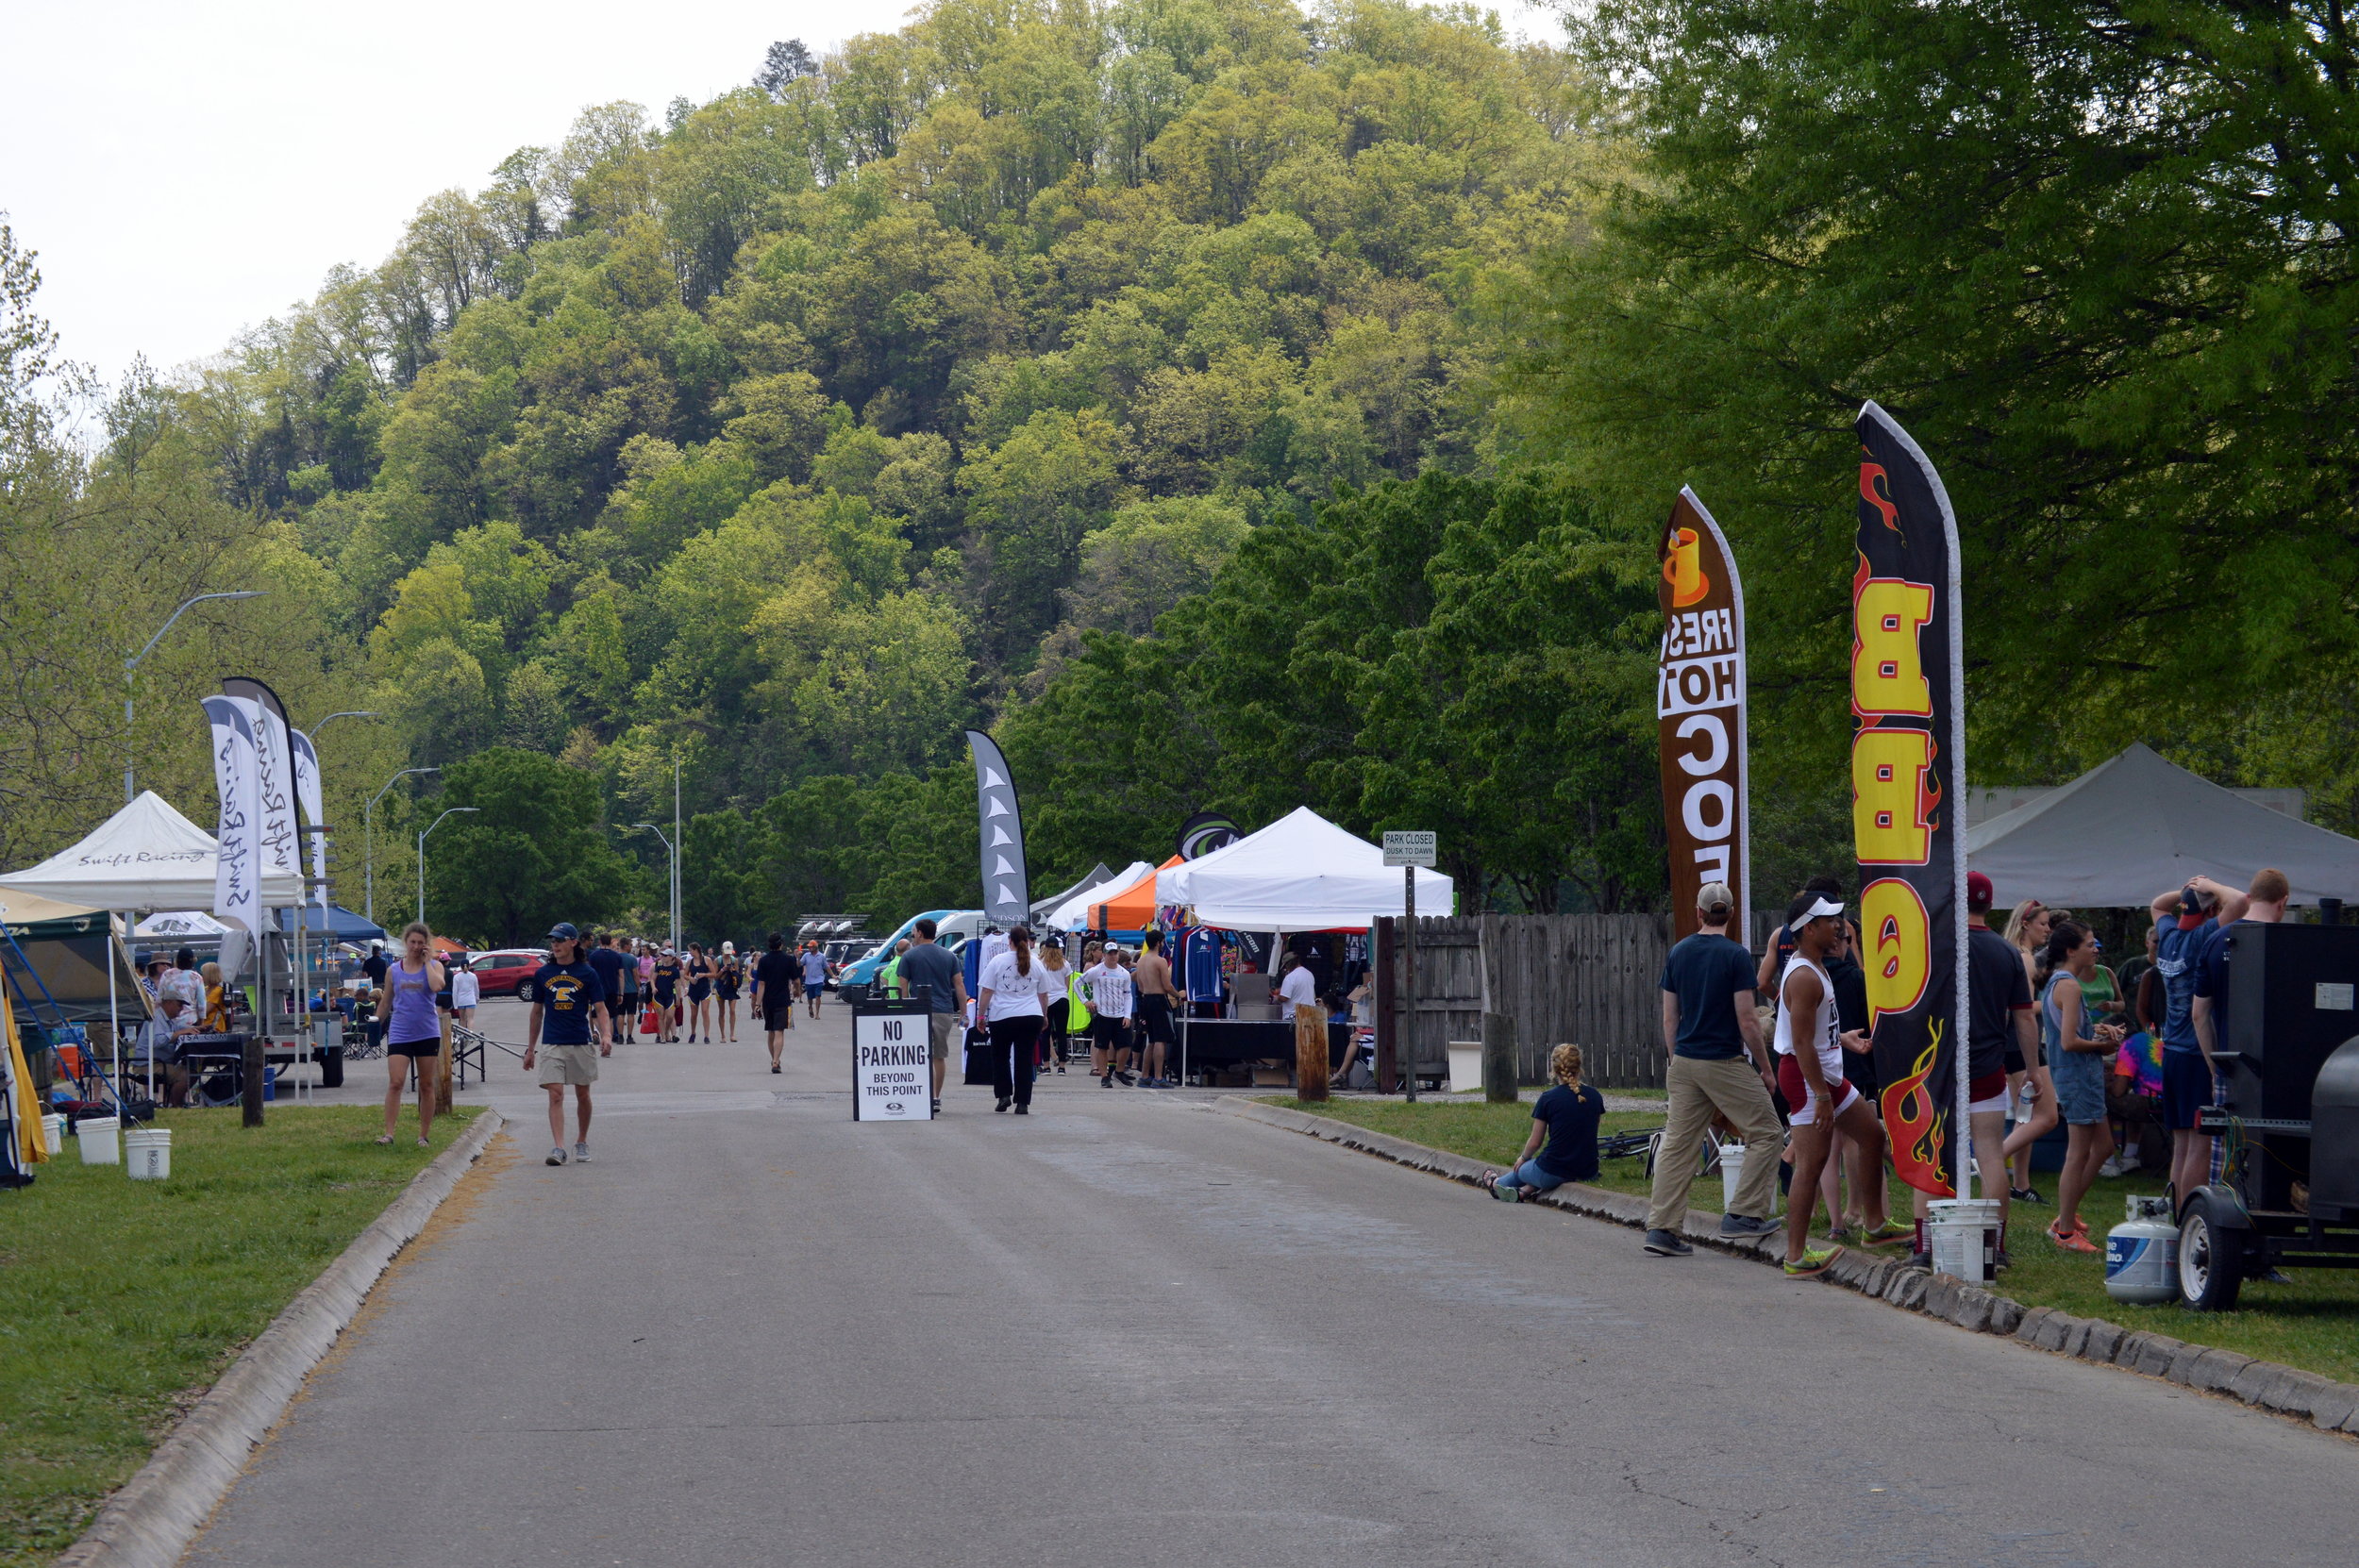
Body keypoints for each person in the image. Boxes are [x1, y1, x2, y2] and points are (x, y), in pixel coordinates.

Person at [1644, 881, 1785, 1258]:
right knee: (1768, 1131)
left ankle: (1661, 1229)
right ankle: (1743, 1213)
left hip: (1686, 1060)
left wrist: (1676, 1060)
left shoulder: (1678, 953)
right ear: (1732, 914)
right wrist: (1766, 1069)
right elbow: (1747, 1019)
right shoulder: (1736, 955)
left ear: (1699, 913)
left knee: (1678, 1146)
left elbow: (1669, 1019)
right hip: (1722, 1060)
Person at [1773, 893, 1891, 1276]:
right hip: (1809, 1079)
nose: (1839, 927)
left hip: (1825, 1074)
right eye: (1829, 922)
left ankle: (1874, 1226)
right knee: (1811, 1164)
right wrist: (1821, 1096)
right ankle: (1795, 1257)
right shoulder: (1805, 976)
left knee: (1872, 1137)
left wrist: (1843, 1039)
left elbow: (1811, 1032)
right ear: (1809, 928)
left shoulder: (1816, 965)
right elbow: (1800, 1043)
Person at [2150, 873, 2250, 1207]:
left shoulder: (2168, 936)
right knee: (2200, 1146)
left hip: (2172, 1053)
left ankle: (2178, 1217)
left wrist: (2187, 891)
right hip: (2196, 1053)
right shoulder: (2202, 937)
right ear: (2210, 914)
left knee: (2181, 1145)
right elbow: (2240, 901)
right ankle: (2191, 1215)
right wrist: (2210, 886)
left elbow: (2157, 905)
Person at [2192, 867, 2287, 1186]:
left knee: (2226, 1150)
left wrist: (2214, 1063)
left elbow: (2199, 1014)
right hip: (2283, 1069)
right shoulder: (2290, 943)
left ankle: (2224, 1221)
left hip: (2231, 1065)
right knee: (2278, 1149)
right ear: (2282, 902)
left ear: (2250, 897)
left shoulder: (2215, 940)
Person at [2039, 919, 2125, 1250]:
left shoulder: (2060, 982)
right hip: (2078, 1076)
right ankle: (2064, 1232)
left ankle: (2067, 1215)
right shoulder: (2070, 985)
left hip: (2079, 1076)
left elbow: (2072, 1031)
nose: (2096, 949)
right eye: (2090, 944)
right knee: (2078, 1153)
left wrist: (2103, 1033)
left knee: (2103, 1147)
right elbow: (2069, 1041)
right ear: (2071, 950)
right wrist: (2104, 1048)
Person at [521, 923, 610, 1166]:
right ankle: (559, 1148)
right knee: (556, 1094)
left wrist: (606, 1035)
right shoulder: (543, 974)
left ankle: (581, 1140)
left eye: (560, 940)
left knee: (583, 1093)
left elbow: (600, 1009)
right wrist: (530, 1049)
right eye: (553, 941)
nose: (555, 945)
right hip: (552, 1042)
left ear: (573, 942)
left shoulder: (587, 973)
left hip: (580, 1041)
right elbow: (536, 1013)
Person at [1484, 1043, 1605, 1202]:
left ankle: (1496, 1184)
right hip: (1587, 1170)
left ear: (1554, 1068)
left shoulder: (1548, 1098)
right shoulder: (1595, 1096)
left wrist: (1523, 1158)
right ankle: (1524, 1191)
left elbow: (1535, 1142)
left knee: (1522, 1170)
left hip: (1553, 1169)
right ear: (1579, 1065)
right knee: (1541, 1176)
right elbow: (1590, 1133)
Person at [1999, 897, 2060, 1203]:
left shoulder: (2018, 954)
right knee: (2047, 1117)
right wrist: (2056, 1003)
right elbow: (2020, 1007)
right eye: (2043, 923)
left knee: (2025, 1117)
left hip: (2013, 1046)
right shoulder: (2024, 958)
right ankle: (1993, 1162)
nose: (2048, 929)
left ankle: (2020, 1185)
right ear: (2025, 924)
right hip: (2022, 1045)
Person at [376, 921, 449, 1147]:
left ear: (427, 945)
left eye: (421, 943)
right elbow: (386, 1002)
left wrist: (427, 961)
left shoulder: (435, 966)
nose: (416, 946)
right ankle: (389, 1133)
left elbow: (437, 987)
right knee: (396, 1082)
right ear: (406, 943)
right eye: (412, 942)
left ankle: (423, 1135)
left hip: (426, 1031)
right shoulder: (393, 970)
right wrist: (374, 1024)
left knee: (427, 1084)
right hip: (400, 1031)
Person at [978, 926, 1058, 1114]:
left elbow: (987, 990)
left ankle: (1003, 1095)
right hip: (1030, 1015)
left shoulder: (998, 961)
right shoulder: (1036, 963)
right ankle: (1023, 1102)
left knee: (1000, 1057)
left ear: (1009, 941)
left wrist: (981, 1015)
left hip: (1002, 1015)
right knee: (1024, 1058)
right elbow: (1044, 994)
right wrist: (1044, 1015)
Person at [897, 920, 968, 1113]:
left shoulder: (909, 956)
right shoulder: (949, 956)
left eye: (913, 933)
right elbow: (959, 985)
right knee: (939, 1056)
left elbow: (903, 985)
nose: (913, 937)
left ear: (920, 933)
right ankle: (936, 1097)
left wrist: (905, 1007)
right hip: (943, 1010)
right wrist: (964, 1012)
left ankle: (919, 1093)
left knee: (918, 1055)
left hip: (917, 1009)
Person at [1132, 929, 1181, 1087]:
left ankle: (1145, 1075)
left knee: (1151, 1040)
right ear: (1159, 942)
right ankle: (1158, 1077)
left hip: (1146, 1000)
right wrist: (1179, 994)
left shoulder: (1140, 961)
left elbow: (1139, 986)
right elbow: (1167, 986)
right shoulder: (1160, 961)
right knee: (1160, 1039)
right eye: (1162, 942)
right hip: (1158, 1000)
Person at [1083, 942, 1134, 1088]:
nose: (1113, 956)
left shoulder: (1124, 973)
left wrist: (1127, 1015)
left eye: (1115, 953)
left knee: (1125, 1045)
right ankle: (1104, 1076)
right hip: (1102, 1014)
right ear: (1104, 955)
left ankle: (1119, 1071)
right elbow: (1077, 984)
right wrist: (1086, 1001)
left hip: (1119, 1014)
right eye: (1110, 953)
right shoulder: (1097, 970)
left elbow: (1128, 995)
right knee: (1102, 1046)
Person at [752, 933, 799, 1073]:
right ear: (781, 944)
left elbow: (761, 984)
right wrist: (797, 991)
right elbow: (796, 980)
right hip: (783, 1000)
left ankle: (775, 1060)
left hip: (767, 1000)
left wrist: (757, 1004)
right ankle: (775, 1061)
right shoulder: (789, 960)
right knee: (780, 1031)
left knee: (771, 1030)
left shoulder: (764, 961)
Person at [587, 932, 631, 1050]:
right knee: (610, 1017)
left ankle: (602, 1035)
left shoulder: (593, 956)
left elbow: (588, 974)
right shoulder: (616, 956)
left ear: (600, 942)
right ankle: (608, 1040)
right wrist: (621, 992)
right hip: (612, 990)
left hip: (596, 990)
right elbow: (621, 975)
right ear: (611, 942)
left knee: (595, 1016)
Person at [1039, 936, 1074, 1074]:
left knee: (1045, 1034)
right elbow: (1067, 985)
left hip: (1046, 1000)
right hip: (1061, 999)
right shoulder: (1065, 964)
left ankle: (1046, 1065)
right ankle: (1062, 1066)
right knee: (1061, 1033)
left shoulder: (1040, 963)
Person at [684, 942, 713, 1043]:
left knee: (705, 1011)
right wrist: (690, 978)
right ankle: (693, 1033)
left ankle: (706, 1036)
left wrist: (704, 974)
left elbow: (714, 974)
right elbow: (684, 974)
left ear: (696, 950)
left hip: (705, 988)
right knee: (693, 1014)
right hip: (693, 990)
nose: (689, 952)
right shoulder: (690, 962)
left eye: (690, 950)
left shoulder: (707, 960)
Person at [651, 946, 681, 1043]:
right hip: (658, 996)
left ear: (671, 957)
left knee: (670, 1016)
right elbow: (652, 979)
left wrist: (678, 998)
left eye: (665, 955)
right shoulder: (659, 968)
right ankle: (663, 1037)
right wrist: (653, 988)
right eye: (662, 955)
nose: (662, 957)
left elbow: (677, 985)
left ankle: (667, 1031)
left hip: (669, 996)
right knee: (660, 1016)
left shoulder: (675, 970)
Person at [715, 942, 742, 1043]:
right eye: (726, 952)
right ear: (722, 950)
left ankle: (732, 1034)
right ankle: (723, 1035)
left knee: (732, 1011)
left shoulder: (734, 960)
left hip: (731, 987)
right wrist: (722, 970)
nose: (728, 954)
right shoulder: (718, 960)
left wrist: (732, 970)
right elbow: (715, 976)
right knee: (722, 1012)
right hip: (721, 986)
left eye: (729, 952)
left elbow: (737, 976)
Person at [448, 953, 479, 1030]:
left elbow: (455, 991)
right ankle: (470, 1034)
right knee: (470, 1019)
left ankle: (463, 1035)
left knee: (462, 1019)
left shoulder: (457, 977)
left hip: (461, 1000)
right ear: (469, 966)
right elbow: (476, 989)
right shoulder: (473, 976)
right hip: (471, 1000)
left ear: (460, 966)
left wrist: (455, 1004)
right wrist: (477, 998)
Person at [800, 940, 830, 1019]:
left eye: (811, 947)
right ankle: (810, 1007)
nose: (810, 948)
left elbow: (827, 967)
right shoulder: (806, 955)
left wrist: (833, 975)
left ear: (815, 947)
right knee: (810, 997)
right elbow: (799, 964)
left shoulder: (821, 956)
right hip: (809, 980)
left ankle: (817, 1014)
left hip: (819, 979)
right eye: (809, 947)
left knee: (818, 996)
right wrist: (797, 958)